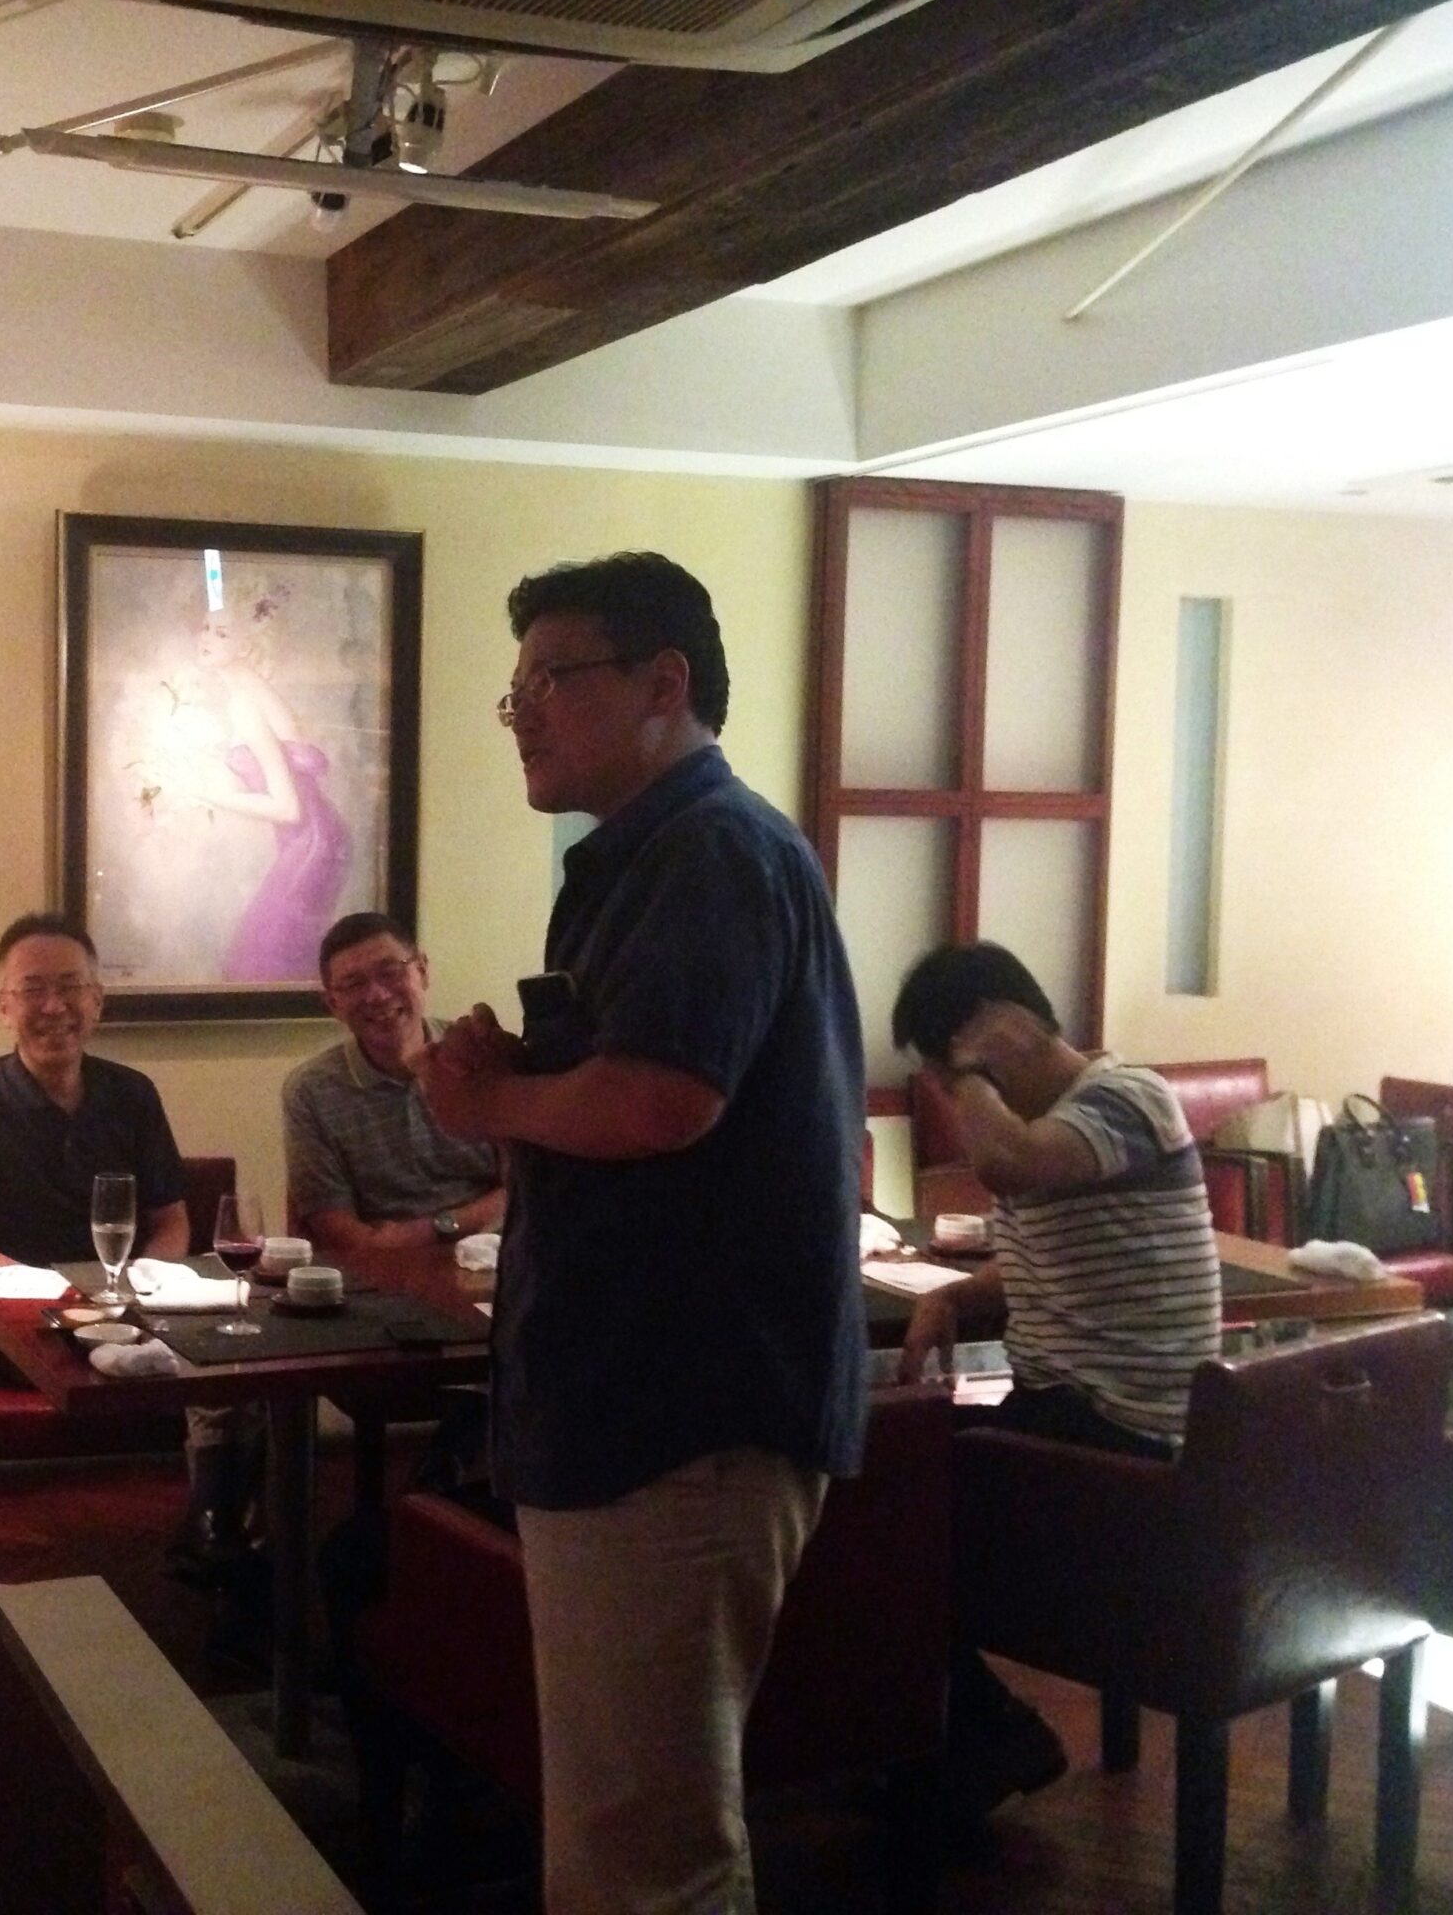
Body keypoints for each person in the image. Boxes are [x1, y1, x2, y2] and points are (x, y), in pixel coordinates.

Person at [409, 551, 868, 1915]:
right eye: (514, 691)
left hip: (682, 1414)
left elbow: (665, 1101)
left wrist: (494, 1099)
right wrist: (513, 1086)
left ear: (664, 684)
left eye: (550, 680)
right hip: (629, 1402)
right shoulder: (641, 857)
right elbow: (618, 1102)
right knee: (622, 1824)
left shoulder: (712, 850)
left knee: (648, 1850)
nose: (523, 715)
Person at [889, 940, 1223, 1821]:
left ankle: (985, 1736)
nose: (952, 1101)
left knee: (882, 1505)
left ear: (1001, 1032)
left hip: (1126, 1445)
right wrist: (954, 1295)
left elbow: (1009, 1165)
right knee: (876, 1470)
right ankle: (958, 1734)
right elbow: (1045, 1253)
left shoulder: (1126, 1098)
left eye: (945, 1077)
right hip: (1067, 1417)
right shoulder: (1059, 1130)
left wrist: (971, 1076)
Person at [0, 913, 256, 1568]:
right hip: (31, 1322)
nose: (54, 1006)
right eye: (33, 989)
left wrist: (136, 1288)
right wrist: (61, 1293)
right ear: (3, 1005)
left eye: (71, 987)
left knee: (248, 1369)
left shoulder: (132, 1095)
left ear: (97, 1000)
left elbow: (171, 1220)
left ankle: (222, 1534)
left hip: (137, 1311)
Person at [283, 911, 505, 1255]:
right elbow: (339, 1233)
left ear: (423, 971)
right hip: (380, 1271)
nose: (377, 995)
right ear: (333, 1004)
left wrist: (434, 1228)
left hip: (496, 1263)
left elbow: (523, 1191)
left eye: (390, 972)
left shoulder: (479, 1055)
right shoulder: (311, 1092)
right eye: (354, 984)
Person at [162, 596, 351, 984]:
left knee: (266, 953)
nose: (206, 638)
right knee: (275, 950)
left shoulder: (246, 703)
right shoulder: (249, 691)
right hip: (312, 837)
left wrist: (203, 791)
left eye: (221, 633)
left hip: (311, 841)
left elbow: (288, 808)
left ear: (246, 645)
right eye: (205, 628)